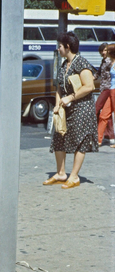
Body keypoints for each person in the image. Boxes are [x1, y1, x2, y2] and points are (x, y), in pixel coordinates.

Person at [44, 31, 98, 189]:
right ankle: (61, 173)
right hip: (66, 108)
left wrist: (71, 97)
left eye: (60, 46)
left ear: (67, 47)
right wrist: (57, 104)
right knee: (59, 137)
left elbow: (89, 86)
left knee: (80, 140)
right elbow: (59, 88)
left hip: (82, 108)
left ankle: (74, 177)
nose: (58, 49)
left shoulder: (81, 63)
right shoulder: (63, 65)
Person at [94, 43, 114, 146]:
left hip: (108, 89)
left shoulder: (109, 61)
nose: (103, 52)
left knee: (96, 109)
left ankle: (97, 136)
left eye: (105, 50)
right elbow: (99, 72)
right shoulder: (104, 61)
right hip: (106, 88)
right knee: (106, 115)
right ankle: (109, 137)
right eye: (102, 51)